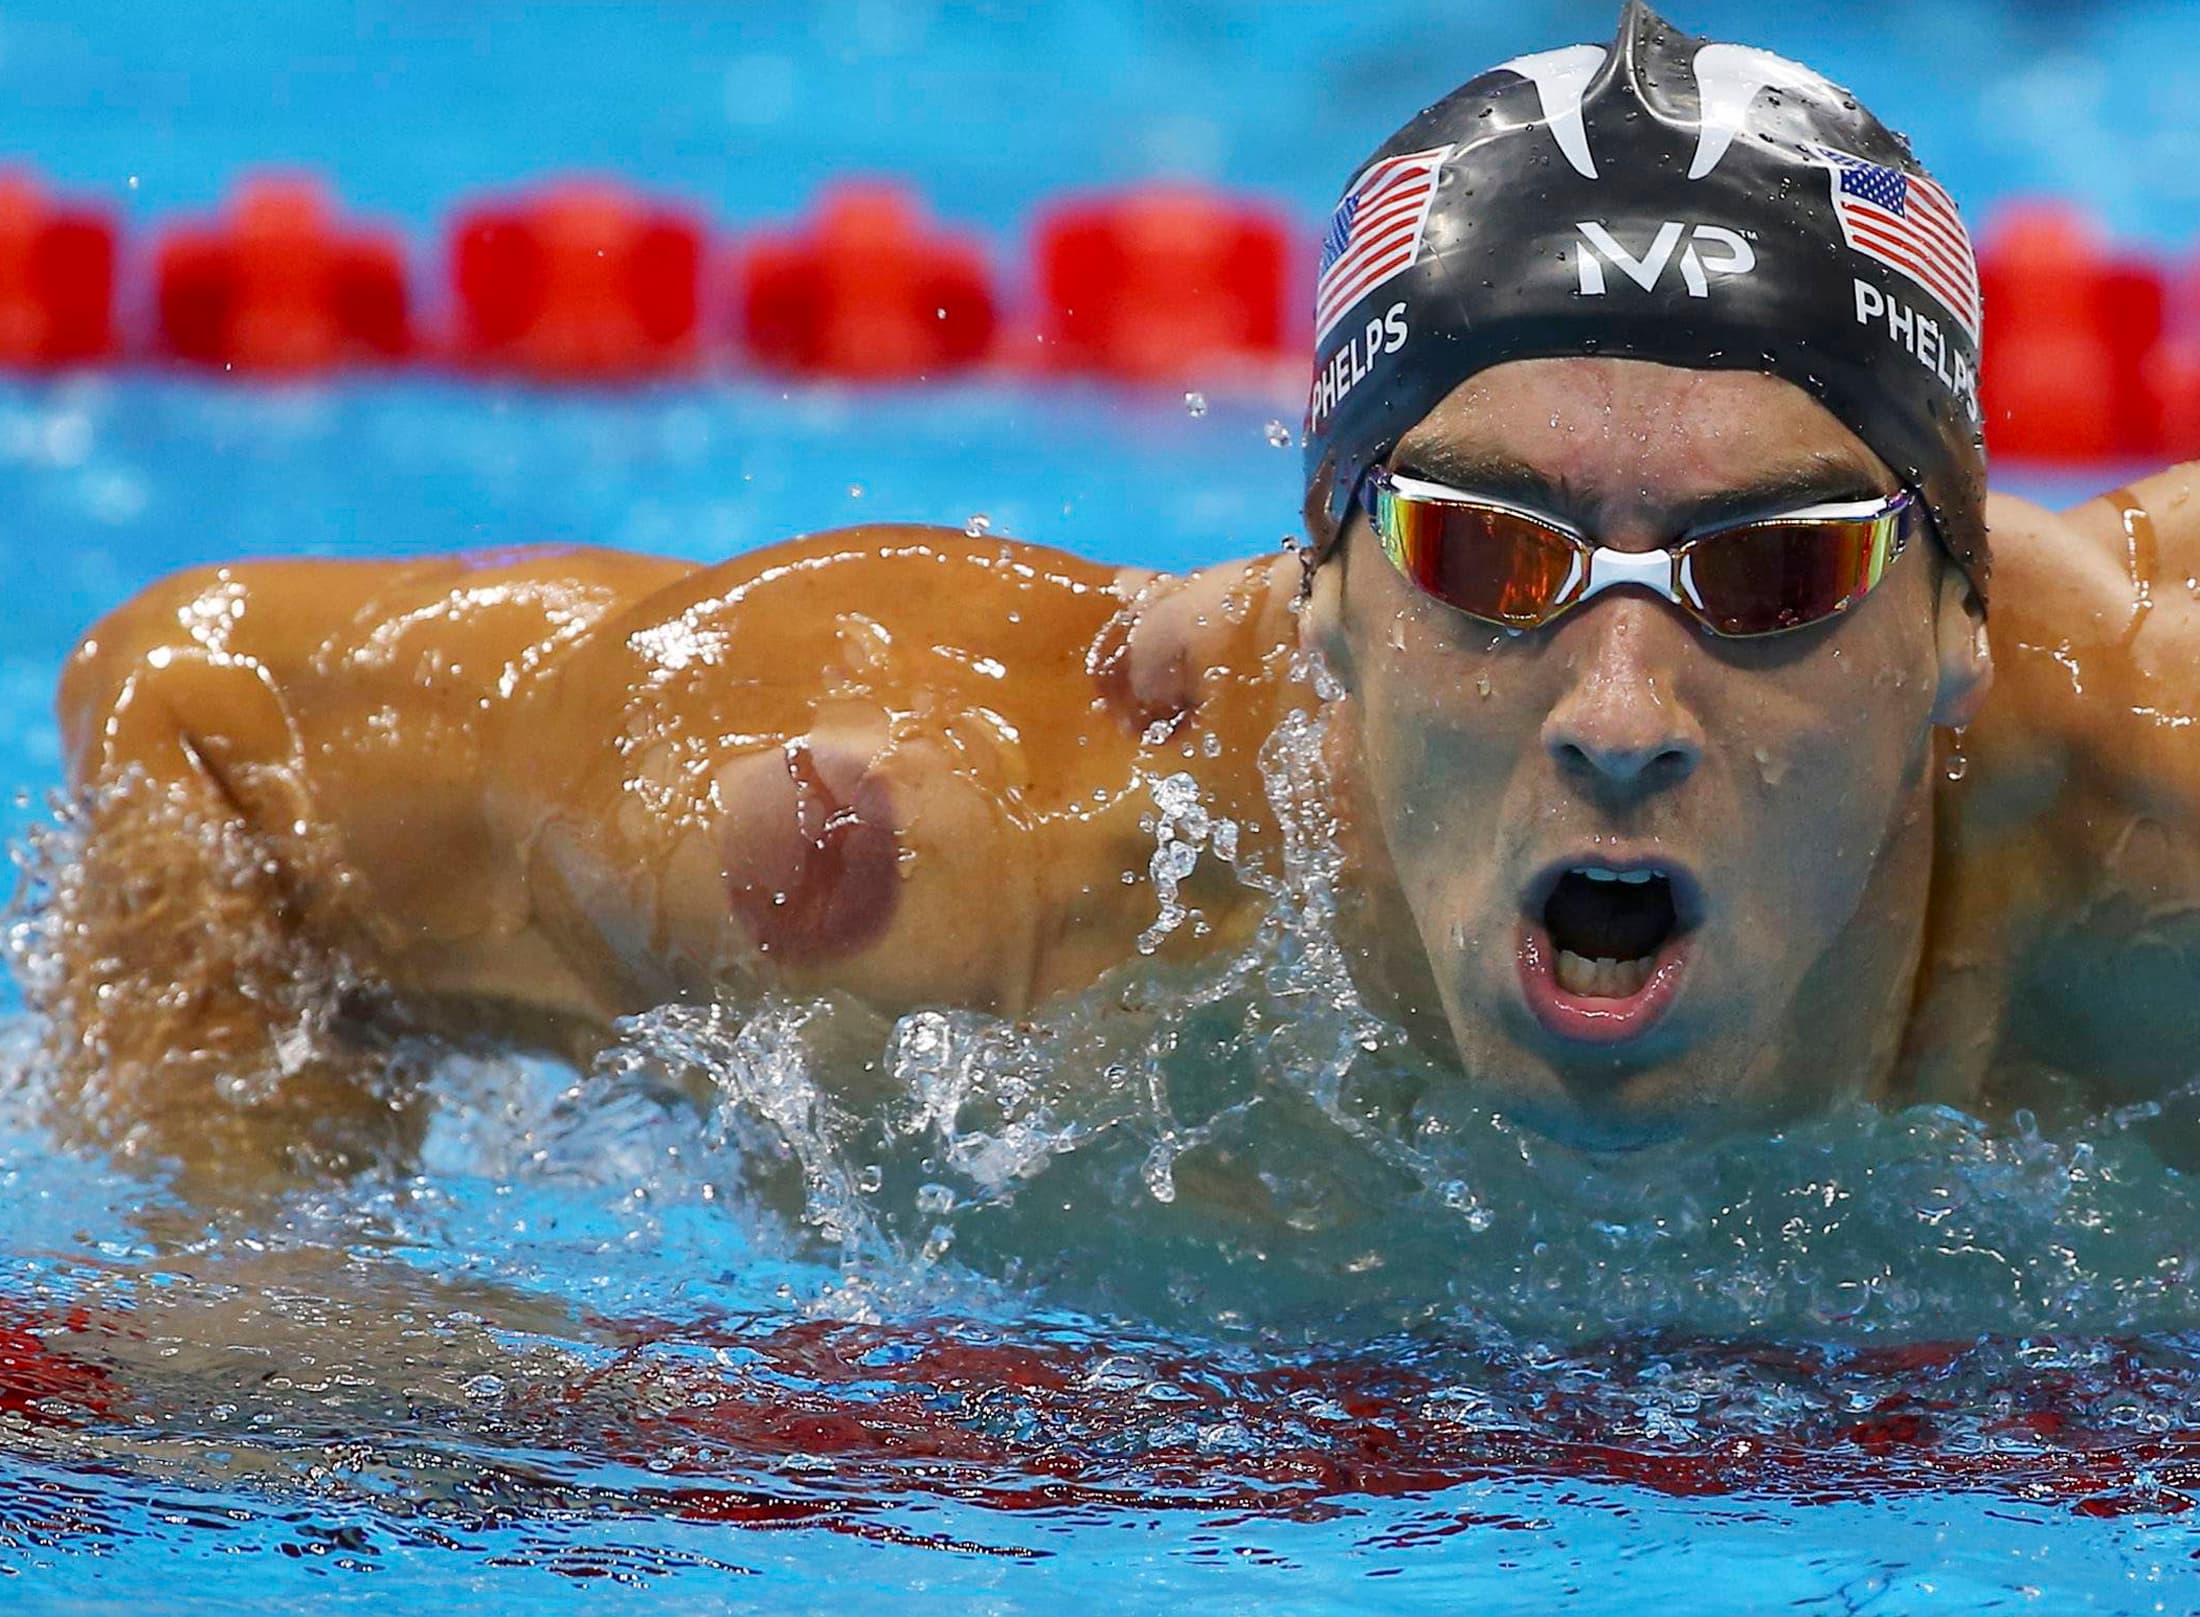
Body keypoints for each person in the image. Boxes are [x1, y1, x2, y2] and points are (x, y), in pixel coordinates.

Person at [43, 2, 2200, 1188]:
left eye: (1776, 572)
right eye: (1478, 551)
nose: (1617, 699)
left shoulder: (2142, 809)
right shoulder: (970, 836)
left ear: (1955, 631)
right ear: (1323, 601)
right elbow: (213, 718)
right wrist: (273, 1315)